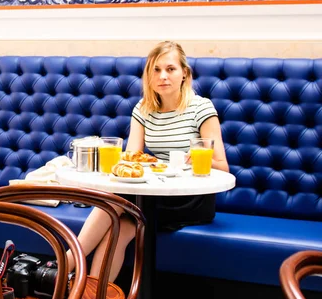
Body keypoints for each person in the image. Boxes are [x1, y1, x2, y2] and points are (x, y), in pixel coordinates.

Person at [66, 41, 229, 282]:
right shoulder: (143, 109)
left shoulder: (201, 108)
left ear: (185, 73)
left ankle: (64, 263)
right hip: (152, 195)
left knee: (113, 201)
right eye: (156, 69)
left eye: (171, 69)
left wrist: (194, 159)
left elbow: (222, 166)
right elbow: (132, 159)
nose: (163, 76)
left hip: (190, 199)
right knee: (117, 230)